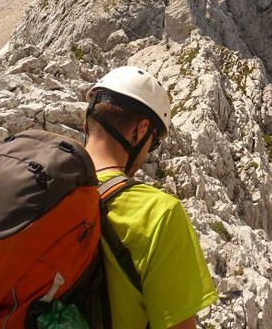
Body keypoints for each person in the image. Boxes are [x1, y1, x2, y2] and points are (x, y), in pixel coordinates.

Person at [84, 65, 218, 329]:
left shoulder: (47, 186)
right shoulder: (159, 213)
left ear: (85, 121)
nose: (149, 151)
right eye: (153, 141)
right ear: (141, 129)